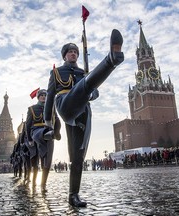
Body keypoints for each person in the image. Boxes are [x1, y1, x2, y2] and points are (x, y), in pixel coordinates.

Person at [44, 29, 124, 207]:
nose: (73, 54)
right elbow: (49, 97)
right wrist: (49, 124)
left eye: (75, 52)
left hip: (83, 112)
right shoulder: (57, 73)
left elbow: (95, 92)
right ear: (65, 56)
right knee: (84, 85)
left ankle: (73, 195)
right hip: (65, 104)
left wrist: (92, 93)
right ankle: (111, 59)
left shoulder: (83, 73)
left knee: (78, 157)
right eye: (70, 52)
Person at [25, 88, 61, 192]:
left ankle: (43, 184)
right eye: (42, 95)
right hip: (36, 131)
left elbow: (56, 119)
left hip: (50, 131)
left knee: (47, 161)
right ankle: (52, 134)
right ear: (38, 97)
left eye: (45, 96)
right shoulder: (32, 109)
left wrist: (57, 127)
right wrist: (30, 139)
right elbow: (28, 125)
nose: (44, 97)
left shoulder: (51, 107)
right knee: (41, 134)